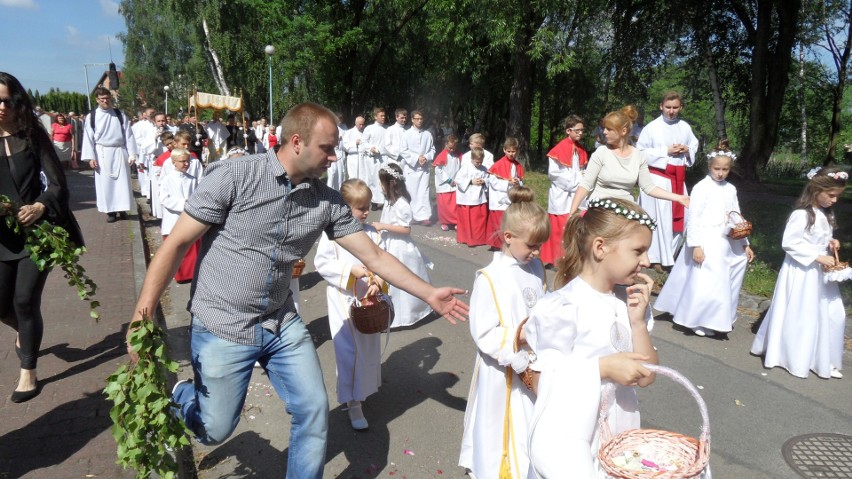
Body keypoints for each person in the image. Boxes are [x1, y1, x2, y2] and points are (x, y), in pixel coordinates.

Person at [127, 102, 468, 479]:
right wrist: (142, 317)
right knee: (214, 429)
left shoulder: (326, 200)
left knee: (312, 409)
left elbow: (373, 255)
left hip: (280, 321)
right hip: (223, 324)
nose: (334, 156)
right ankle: (181, 396)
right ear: (296, 142)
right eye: (327, 147)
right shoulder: (236, 176)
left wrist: (428, 292)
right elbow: (175, 244)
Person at [523, 198, 659, 477]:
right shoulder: (563, 308)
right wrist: (602, 368)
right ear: (600, 248)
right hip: (572, 439)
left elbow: (647, 377)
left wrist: (637, 324)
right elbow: (540, 381)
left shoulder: (630, 304)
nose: (646, 261)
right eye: (638, 251)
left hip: (621, 431)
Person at [0, 72, 84, 403]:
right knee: (2, 304)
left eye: (6, 100)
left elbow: (58, 185)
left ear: (17, 101)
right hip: (2, 238)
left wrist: (40, 205)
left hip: (39, 232)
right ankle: (27, 333)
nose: (0, 106)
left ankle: (28, 373)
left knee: (24, 300)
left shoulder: (32, 137)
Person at [459, 186, 549, 479]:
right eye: (532, 246)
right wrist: (517, 339)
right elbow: (484, 332)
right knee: (498, 422)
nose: (536, 253)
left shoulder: (535, 268)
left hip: (531, 363)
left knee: (527, 421)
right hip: (501, 369)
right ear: (508, 238)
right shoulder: (490, 278)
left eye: (540, 246)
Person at [750, 167, 848, 379]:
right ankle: (795, 356)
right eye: (831, 195)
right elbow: (790, 243)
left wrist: (831, 243)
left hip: (821, 272)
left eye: (837, 196)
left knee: (833, 313)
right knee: (804, 313)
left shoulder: (825, 215)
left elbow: (820, 238)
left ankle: (823, 357)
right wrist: (817, 256)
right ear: (816, 190)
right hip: (804, 271)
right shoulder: (801, 215)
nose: (834, 200)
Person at [655, 141, 755, 337]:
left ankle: (713, 316)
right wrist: (696, 246)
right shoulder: (702, 187)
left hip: (725, 238)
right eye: (717, 168)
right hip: (706, 237)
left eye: (725, 169)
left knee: (721, 278)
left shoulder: (730, 189)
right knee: (706, 279)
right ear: (709, 166)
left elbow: (736, 215)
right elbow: (693, 217)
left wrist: (745, 243)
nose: (720, 173)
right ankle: (695, 318)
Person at [314, 179, 386, 431]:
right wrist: (350, 271)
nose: (366, 212)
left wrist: (379, 281)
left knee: (368, 349)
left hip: (368, 299)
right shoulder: (332, 236)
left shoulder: (371, 234)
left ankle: (362, 391)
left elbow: (383, 262)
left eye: (368, 207)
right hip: (343, 300)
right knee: (349, 352)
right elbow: (322, 264)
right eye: (360, 208)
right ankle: (352, 402)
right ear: (345, 208)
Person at [568, 106, 689, 217]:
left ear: (623, 131)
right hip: (600, 212)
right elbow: (585, 184)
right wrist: (572, 214)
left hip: (626, 211)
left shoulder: (638, 155)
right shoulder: (601, 153)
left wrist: (678, 198)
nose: (604, 132)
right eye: (604, 128)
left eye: (609, 129)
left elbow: (649, 187)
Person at [637, 92, 699, 269]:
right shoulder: (651, 128)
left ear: (681, 107)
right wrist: (665, 151)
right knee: (659, 217)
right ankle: (654, 256)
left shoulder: (685, 127)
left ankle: (670, 255)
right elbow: (640, 153)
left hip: (679, 177)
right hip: (658, 178)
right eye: (668, 107)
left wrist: (687, 149)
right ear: (661, 106)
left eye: (675, 107)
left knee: (682, 216)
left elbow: (694, 145)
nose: (671, 111)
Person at [373, 163, 434, 328]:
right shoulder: (390, 202)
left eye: (381, 182)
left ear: (391, 183)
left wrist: (383, 226)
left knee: (400, 278)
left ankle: (408, 314)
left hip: (400, 247)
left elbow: (406, 229)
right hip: (390, 243)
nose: (380, 185)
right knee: (389, 278)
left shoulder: (402, 204)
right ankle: (391, 313)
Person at [82, 86, 138, 223]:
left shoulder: (119, 114)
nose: (105, 101)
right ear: (97, 100)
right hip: (102, 153)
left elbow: (128, 134)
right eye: (102, 99)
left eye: (107, 98)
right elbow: (88, 137)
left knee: (122, 183)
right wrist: (91, 158)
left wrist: (132, 154)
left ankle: (123, 209)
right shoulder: (92, 116)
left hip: (119, 151)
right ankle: (110, 212)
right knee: (105, 184)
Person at [540, 115, 588, 266]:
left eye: (582, 130)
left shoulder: (581, 150)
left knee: (572, 228)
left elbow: (582, 170)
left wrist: (582, 179)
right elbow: (555, 175)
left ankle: (570, 259)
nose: (580, 133)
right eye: (577, 130)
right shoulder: (557, 150)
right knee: (558, 229)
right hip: (562, 195)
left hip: (575, 194)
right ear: (569, 130)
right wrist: (577, 182)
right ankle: (555, 259)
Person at [159, 147, 204, 284]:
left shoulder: (192, 179)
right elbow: (164, 198)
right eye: (183, 161)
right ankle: (179, 274)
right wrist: (182, 203)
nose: (186, 164)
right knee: (176, 249)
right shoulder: (167, 179)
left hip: (190, 217)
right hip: (174, 217)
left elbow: (197, 194)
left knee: (191, 248)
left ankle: (191, 273)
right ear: (174, 162)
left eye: (188, 161)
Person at [485, 137, 524, 249]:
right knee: (498, 222)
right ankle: (496, 244)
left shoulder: (518, 166)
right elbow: (493, 182)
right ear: (504, 150)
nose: (511, 154)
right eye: (509, 151)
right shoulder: (497, 165)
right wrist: (508, 182)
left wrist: (517, 182)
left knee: (509, 221)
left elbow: (520, 181)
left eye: (513, 151)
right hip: (499, 198)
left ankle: (507, 242)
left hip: (511, 198)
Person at [401, 109, 435, 225]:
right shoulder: (406, 134)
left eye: (421, 119)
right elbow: (403, 150)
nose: (419, 121)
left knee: (423, 191)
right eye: (417, 119)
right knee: (411, 192)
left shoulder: (427, 134)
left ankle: (424, 216)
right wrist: (416, 158)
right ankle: (411, 215)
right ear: (412, 120)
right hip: (411, 168)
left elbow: (432, 149)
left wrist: (426, 157)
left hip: (424, 168)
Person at [455, 147, 489, 246]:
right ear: (472, 159)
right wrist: (471, 181)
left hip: (480, 197)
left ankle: (480, 239)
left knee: (479, 220)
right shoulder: (466, 167)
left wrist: (484, 181)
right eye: (477, 162)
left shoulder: (484, 168)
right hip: (468, 197)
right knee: (469, 220)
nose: (479, 164)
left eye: (480, 162)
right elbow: (458, 180)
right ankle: (468, 239)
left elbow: (488, 179)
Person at [361, 107, 388, 209]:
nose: (383, 117)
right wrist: (370, 148)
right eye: (381, 116)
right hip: (373, 159)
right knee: (373, 179)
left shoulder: (387, 129)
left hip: (384, 157)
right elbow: (363, 142)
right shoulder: (369, 128)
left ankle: (384, 200)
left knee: (383, 179)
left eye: (384, 115)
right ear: (375, 117)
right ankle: (374, 201)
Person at [432, 133, 461, 231]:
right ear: (445, 144)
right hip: (444, 184)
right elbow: (438, 170)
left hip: (454, 183)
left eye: (454, 148)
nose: (452, 150)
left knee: (454, 205)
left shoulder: (457, 156)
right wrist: (448, 180)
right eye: (450, 147)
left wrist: (456, 179)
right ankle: (445, 222)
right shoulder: (442, 155)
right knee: (444, 206)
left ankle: (456, 221)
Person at [342, 115, 366, 182]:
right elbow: (345, 146)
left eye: (363, 124)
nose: (361, 126)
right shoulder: (349, 132)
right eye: (360, 124)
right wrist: (355, 143)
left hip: (363, 158)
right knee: (353, 177)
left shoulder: (365, 132)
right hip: (353, 158)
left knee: (363, 177)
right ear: (356, 123)